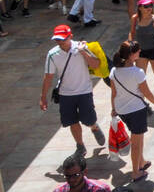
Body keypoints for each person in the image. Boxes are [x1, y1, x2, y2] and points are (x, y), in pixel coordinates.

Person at [41, 24, 106, 157]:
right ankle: (80, 146)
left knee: (88, 119)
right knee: (72, 121)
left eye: (62, 39)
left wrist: (83, 52)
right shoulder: (52, 54)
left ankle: (94, 126)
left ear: (70, 36)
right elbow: (48, 77)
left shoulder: (82, 47)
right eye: (57, 39)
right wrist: (43, 97)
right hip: (65, 94)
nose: (59, 42)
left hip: (84, 91)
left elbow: (96, 64)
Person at [109, 41, 154, 181]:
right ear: (132, 55)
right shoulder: (137, 72)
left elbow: (113, 93)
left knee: (138, 137)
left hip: (122, 110)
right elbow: (147, 93)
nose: (140, 52)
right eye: (138, 51)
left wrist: (113, 108)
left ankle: (142, 162)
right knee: (137, 142)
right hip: (136, 110)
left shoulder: (114, 71)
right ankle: (136, 172)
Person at [129, 0, 154, 111]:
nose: (149, 8)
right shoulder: (135, 18)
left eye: (150, 6)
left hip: (153, 50)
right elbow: (132, 33)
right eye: (146, 6)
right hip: (140, 52)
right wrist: (131, 48)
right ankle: (142, 98)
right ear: (140, 8)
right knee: (140, 76)